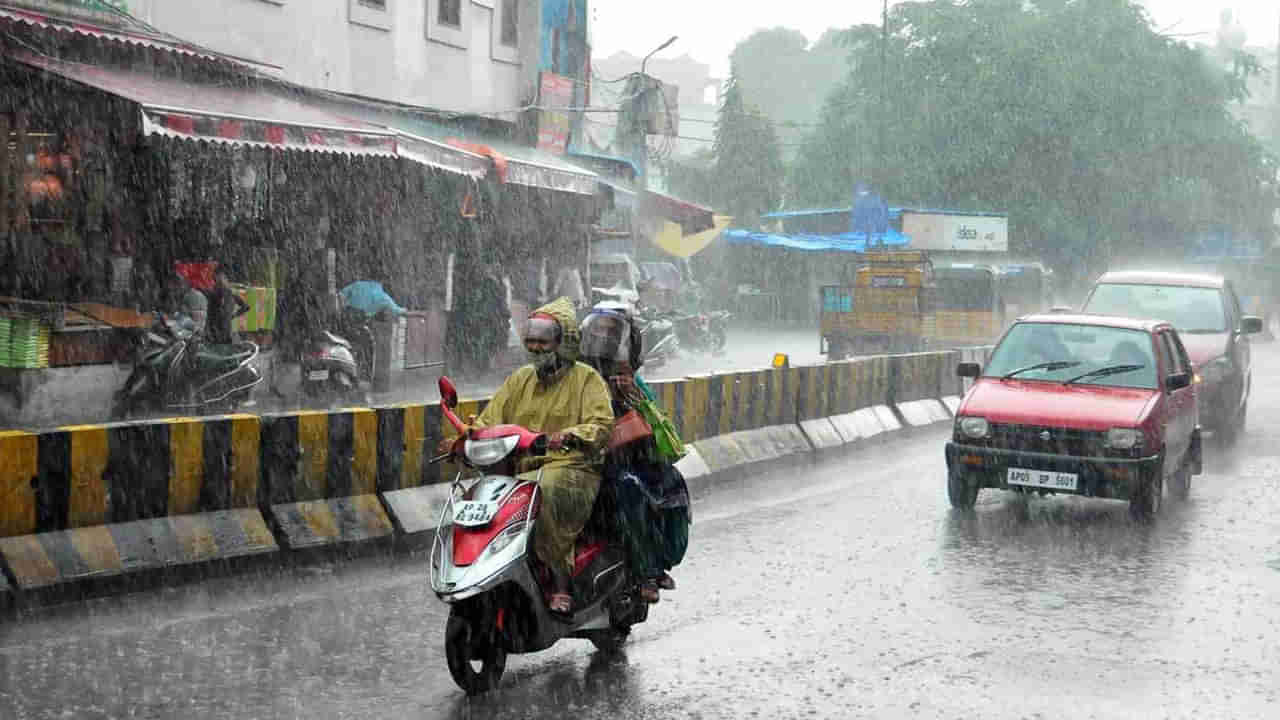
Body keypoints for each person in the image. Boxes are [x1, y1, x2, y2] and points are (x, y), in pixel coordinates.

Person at [441, 297, 614, 617]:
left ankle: (560, 582)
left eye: (543, 342)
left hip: (570, 466)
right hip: (520, 467)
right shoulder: (520, 379)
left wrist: (571, 435)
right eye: (531, 341)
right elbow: (488, 421)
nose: (535, 348)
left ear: (563, 344)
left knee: (542, 490)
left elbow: (601, 425)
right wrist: (465, 440)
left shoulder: (587, 379)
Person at [579, 305, 691, 604]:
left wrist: (630, 397)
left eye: (611, 337)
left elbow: (661, 434)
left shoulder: (632, 382)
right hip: (574, 459)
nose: (604, 344)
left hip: (623, 463)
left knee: (631, 488)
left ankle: (647, 569)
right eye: (598, 335)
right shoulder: (574, 377)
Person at [205, 267, 251, 345]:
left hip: (222, 329)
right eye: (217, 280)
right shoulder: (216, 295)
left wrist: (233, 315)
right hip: (219, 329)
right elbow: (209, 313)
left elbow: (246, 307)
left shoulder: (229, 294)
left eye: (220, 279)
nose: (218, 282)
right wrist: (233, 315)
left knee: (224, 348)